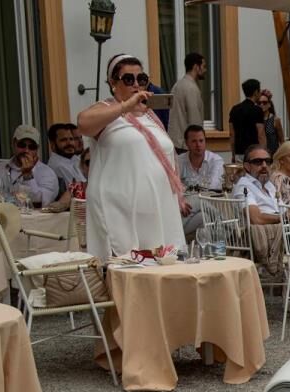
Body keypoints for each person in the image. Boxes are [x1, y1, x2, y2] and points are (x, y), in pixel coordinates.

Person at [77, 53, 186, 260]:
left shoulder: (149, 115)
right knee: (128, 269)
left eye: (141, 79)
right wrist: (126, 106)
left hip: (157, 210)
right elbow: (83, 123)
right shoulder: (107, 109)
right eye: (128, 79)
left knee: (163, 269)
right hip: (120, 210)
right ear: (113, 83)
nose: (136, 84)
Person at [233, 145, 283, 277]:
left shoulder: (269, 185)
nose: (264, 165)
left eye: (268, 161)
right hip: (257, 240)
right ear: (247, 166)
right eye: (258, 162)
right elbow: (256, 218)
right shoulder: (244, 186)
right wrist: (283, 218)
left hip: (282, 233)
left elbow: (284, 210)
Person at [0, 124, 59, 207]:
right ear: (13, 144)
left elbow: (38, 202)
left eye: (31, 147)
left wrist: (28, 175)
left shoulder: (47, 173)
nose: (26, 150)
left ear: (37, 148)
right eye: (22, 145)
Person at [168, 51, 207, 151]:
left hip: (176, 142)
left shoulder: (178, 85)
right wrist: (199, 143)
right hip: (186, 145)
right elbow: (194, 119)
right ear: (196, 67)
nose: (205, 70)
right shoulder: (191, 88)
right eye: (203, 66)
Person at [176, 124, 224, 192]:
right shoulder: (178, 161)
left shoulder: (216, 160)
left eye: (201, 141)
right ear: (186, 143)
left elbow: (213, 186)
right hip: (185, 201)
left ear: (205, 141)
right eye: (194, 141)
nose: (198, 145)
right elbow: (174, 186)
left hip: (209, 201)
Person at [229, 78, 266, 159]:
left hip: (239, 152)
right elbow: (261, 134)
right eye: (259, 91)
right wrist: (264, 153)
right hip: (254, 153)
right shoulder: (257, 110)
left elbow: (232, 134)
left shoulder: (234, 109)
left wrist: (233, 154)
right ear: (256, 92)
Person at [46, 123, 85, 190]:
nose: (69, 143)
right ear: (52, 145)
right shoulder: (58, 166)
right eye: (63, 140)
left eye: (71, 139)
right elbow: (78, 192)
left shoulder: (72, 160)